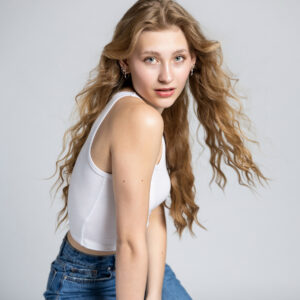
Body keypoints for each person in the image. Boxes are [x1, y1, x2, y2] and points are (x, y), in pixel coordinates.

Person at [43, 0, 270, 299]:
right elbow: (130, 241)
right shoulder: (138, 118)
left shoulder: (151, 112)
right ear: (125, 62)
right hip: (90, 278)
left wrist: (153, 293)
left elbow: (153, 213)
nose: (166, 76)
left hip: (139, 265)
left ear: (192, 62)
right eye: (151, 59)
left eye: (178, 58)